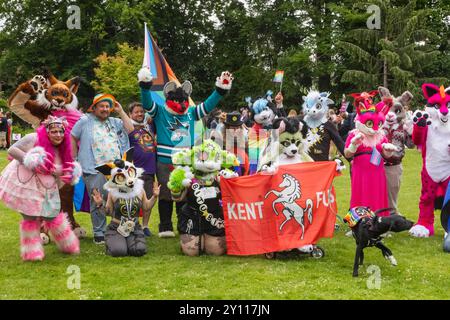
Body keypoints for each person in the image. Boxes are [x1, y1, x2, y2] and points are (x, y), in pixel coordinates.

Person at [137, 67, 233, 238]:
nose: (181, 104)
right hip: (166, 160)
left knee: (186, 193)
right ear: (168, 98)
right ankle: (165, 226)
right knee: (166, 193)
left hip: (187, 161)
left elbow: (207, 106)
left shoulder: (190, 112)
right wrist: (145, 86)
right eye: (178, 101)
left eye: (184, 101)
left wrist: (220, 90)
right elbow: (146, 103)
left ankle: (184, 224)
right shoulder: (160, 111)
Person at [0, 116, 82, 261]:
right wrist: (31, 160)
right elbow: (12, 150)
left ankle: (68, 244)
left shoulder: (64, 147)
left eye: (61, 131)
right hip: (26, 182)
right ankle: (31, 252)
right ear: (47, 132)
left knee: (53, 214)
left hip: (47, 184)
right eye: (54, 131)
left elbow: (64, 169)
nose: (58, 135)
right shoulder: (33, 138)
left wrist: (67, 171)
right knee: (30, 217)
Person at [71, 93, 134, 244]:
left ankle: (118, 228)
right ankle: (99, 232)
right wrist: (74, 159)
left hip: (116, 169)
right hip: (94, 168)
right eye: (102, 106)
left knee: (120, 198)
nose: (105, 109)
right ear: (94, 108)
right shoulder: (85, 120)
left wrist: (121, 111)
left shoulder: (115, 121)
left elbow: (131, 129)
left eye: (107, 106)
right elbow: (73, 136)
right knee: (97, 199)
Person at [93, 149, 160, 257]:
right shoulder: (113, 193)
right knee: (119, 252)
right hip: (116, 228)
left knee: (139, 250)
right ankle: (114, 242)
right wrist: (100, 204)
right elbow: (108, 212)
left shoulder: (139, 190)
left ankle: (127, 243)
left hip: (134, 228)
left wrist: (155, 196)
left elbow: (146, 207)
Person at [127, 102, 157, 237]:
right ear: (130, 114)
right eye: (136, 112)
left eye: (141, 111)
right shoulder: (128, 128)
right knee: (135, 200)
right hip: (135, 171)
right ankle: (134, 224)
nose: (139, 114)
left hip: (150, 170)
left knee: (149, 199)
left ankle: (145, 226)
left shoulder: (149, 125)